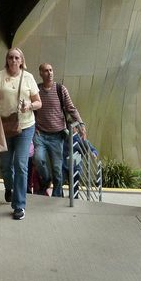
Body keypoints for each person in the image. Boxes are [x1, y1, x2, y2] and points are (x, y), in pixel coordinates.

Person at [0, 48, 41, 220]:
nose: (13, 60)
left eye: (17, 58)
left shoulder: (29, 77)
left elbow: (39, 102)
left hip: (25, 126)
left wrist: (30, 106)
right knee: (5, 165)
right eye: (10, 57)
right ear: (7, 60)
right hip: (4, 126)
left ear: (22, 60)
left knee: (20, 164)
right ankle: (9, 187)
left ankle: (19, 205)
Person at [33, 63, 85, 197]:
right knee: (38, 159)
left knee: (57, 169)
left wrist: (81, 124)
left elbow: (71, 109)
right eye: (46, 71)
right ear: (40, 73)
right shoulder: (36, 90)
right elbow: (31, 112)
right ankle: (46, 180)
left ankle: (56, 197)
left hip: (57, 136)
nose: (49, 73)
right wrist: (33, 128)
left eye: (51, 70)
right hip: (40, 134)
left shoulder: (60, 89)